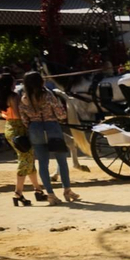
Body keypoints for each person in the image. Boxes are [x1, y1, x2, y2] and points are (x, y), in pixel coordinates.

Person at [14, 71, 78, 205]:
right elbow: (60, 114)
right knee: (62, 161)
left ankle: (50, 194)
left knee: (43, 163)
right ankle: (67, 190)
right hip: (52, 128)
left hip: (35, 130)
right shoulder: (48, 95)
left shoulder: (24, 98)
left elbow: (24, 119)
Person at [0, 74, 45, 207]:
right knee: (25, 159)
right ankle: (18, 193)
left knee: (28, 158)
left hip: (9, 127)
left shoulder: (1, 97)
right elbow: (20, 114)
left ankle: (38, 190)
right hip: (19, 128)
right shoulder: (14, 97)